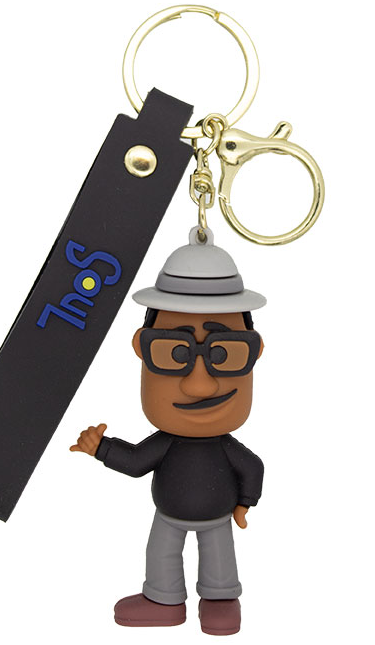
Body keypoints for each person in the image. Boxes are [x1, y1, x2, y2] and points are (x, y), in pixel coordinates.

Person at [70, 228, 266, 635]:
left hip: (217, 517)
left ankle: (220, 600)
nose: (200, 386)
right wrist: (102, 448)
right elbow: (136, 461)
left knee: (219, 560)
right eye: (176, 354)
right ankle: (164, 600)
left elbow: (253, 467)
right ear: (141, 349)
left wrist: (245, 503)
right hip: (168, 516)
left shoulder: (225, 447)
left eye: (223, 354)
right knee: (160, 555)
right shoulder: (166, 443)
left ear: (255, 351)